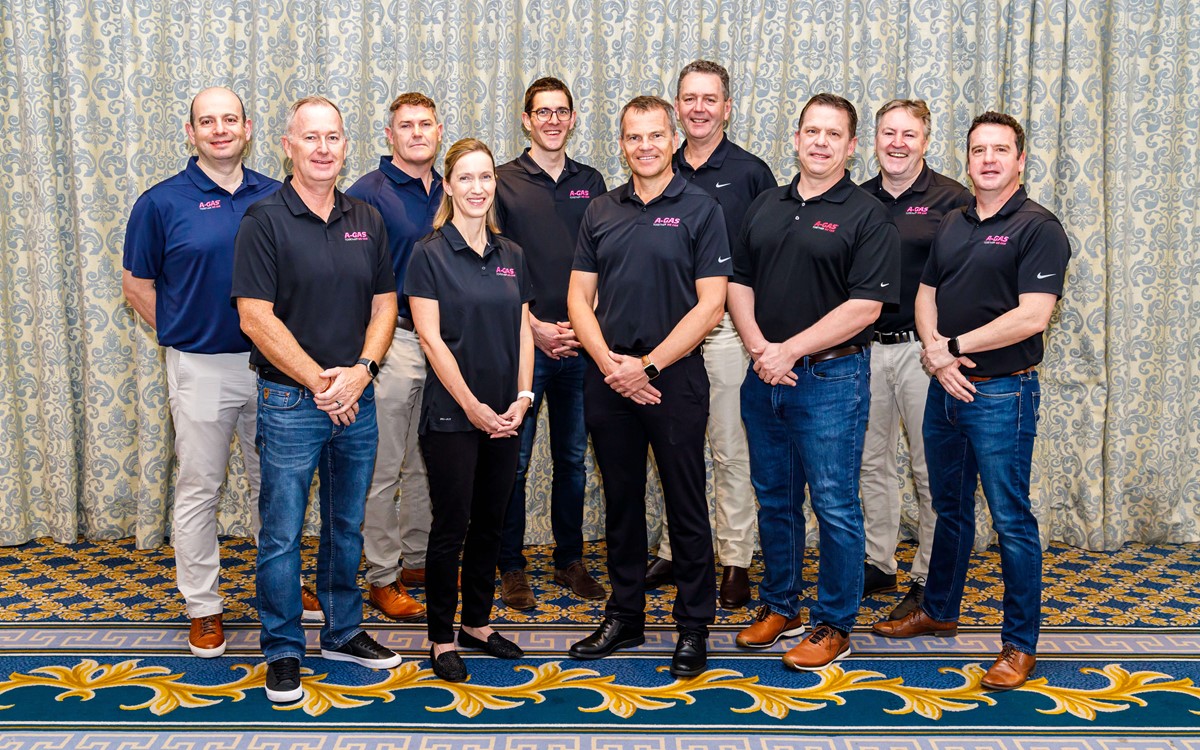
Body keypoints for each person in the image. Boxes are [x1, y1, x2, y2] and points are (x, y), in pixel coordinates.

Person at [872, 111, 1071, 691]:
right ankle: (938, 607)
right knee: (949, 507)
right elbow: (926, 291)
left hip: (1001, 391)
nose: (988, 159)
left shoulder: (1039, 227)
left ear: (1020, 160)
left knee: (1012, 520)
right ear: (967, 158)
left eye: (1000, 150)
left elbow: (1032, 315)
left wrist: (950, 348)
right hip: (946, 387)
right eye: (979, 149)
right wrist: (936, 354)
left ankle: (1019, 645)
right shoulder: (955, 221)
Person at [232, 96, 401, 703]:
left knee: (346, 524)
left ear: (345, 144)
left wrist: (361, 370)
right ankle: (282, 647)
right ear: (287, 144)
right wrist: (322, 383)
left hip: (357, 396)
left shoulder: (367, 216)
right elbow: (255, 317)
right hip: (290, 402)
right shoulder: (263, 219)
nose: (324, 148)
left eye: (333, 137)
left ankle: (343, 630)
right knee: (280, 532)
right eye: (311, 138)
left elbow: (385, 303)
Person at [122, 86, 299, 660]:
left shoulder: (279, 196)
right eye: (207, 121)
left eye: (230, 119)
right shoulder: (160, 202)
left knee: (274, 487)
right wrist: (181, 332)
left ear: (248, 128)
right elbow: (137, 286)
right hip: (200, 367)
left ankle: (281, 586)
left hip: (274, 370)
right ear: (191, 132)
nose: (219, 129)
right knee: (200, 487)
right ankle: (204, 606)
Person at [729, 93, 899, 670]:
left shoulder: (866, 214)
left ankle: (834, 624)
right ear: (796, 137)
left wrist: (790, 350)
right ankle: (782, 606)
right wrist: (760, 350)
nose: (820, 142)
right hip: (763, 375)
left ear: (852, 147)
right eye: (811, 131)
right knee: (775, 500)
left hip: (830, 378)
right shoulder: (765, 205)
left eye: (834, 134)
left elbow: (866, 307)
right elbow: (738, 283)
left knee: (833, 504)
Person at [567, 96, 729, 678]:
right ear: (622, 143)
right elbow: (577, 298)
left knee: (686, 504)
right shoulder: (600, 210)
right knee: (621, 503)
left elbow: (711, 305)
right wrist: (613, 365)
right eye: (634, 137)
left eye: (656, 136)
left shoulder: (701, 208)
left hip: (674, 377)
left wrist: (648, 367)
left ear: (671, 138)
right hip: (608, 375)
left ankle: (693, 625)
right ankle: (625, 614)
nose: (645, 147)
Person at [646, 59, 777, 608]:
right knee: (674, 450)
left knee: (728, 449)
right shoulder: (655, 165)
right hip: (667, 339)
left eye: (710, 99)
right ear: (677, 107)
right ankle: (680, 551)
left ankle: (734, 558)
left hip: (724, 333)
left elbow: (765, 259)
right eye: (689, 98)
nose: (699, 108)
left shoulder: (751, 173)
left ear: (727, 106)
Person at [406, 138, 535, 683]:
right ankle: (440, 638)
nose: (478, 188)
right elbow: (433, 344)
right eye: (466, 178)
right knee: (452, 527)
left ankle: (477, 624)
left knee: (492, 522)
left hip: (507, 413)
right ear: (449, 186)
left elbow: (524, 329)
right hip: (453, 417)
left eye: (486, 178)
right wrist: (476, 408)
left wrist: (523, 398)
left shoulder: (514, 256)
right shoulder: (428, 254)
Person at [494, 77, 608, 610]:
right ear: (526, 119)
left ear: (573, 117)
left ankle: (569, 561)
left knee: (572, 458)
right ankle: (511, 566)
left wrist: (582, 328)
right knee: (514, 459)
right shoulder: (501, 182)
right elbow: (493, 264)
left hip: (582, 345)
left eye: (562, 111)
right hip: (526, 342)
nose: (553, 120)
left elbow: (605, 259)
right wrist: (533, 326)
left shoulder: (595, 182)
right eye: (542, 112)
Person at [858, 99, 972, 618]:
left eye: (909, 134)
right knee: (869, 463)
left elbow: (969, 280)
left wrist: (945, 348)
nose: (897, 143)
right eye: (888, 133)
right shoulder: (855, 199)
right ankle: (878, 563)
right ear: (874, 140)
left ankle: (927, 575)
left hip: (925, 353)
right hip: (863, 350)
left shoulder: (954, 200)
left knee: (931, 469)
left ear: (925, 140)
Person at [347, 92, 445, 621]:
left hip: (447, 346)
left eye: (424, 124)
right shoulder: (370, 193)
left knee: (428, 458)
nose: (416, 133)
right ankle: (382, 575)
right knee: (384, 466)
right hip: (396, 340)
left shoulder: (452, 189)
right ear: (389, 135)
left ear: (438, 129)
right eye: (405, 126)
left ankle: (418, 558)